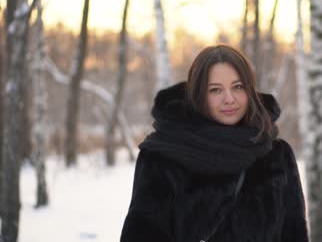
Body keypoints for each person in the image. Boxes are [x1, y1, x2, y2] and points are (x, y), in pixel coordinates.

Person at [120, 44, 309, 242]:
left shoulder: (276, 155)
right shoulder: (162, 158)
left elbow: (293, 233)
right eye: (215, 90)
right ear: (198, 95)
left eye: (238, 87)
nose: (229, 99)